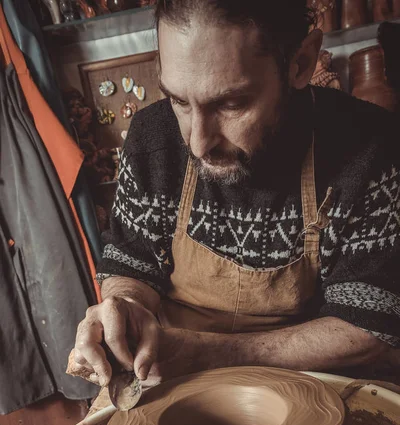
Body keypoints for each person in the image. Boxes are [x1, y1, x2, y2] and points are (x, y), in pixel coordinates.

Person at [73, 0, 400, 388]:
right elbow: (133, 263)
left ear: (300, 63)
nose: (197, 143)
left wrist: (204, 353)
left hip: (314, 381)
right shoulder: (152, 136)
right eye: (179, 101)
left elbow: (369, 327)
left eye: (230, 104)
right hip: (172, 373)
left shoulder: (369, 145)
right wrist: (124, 309)